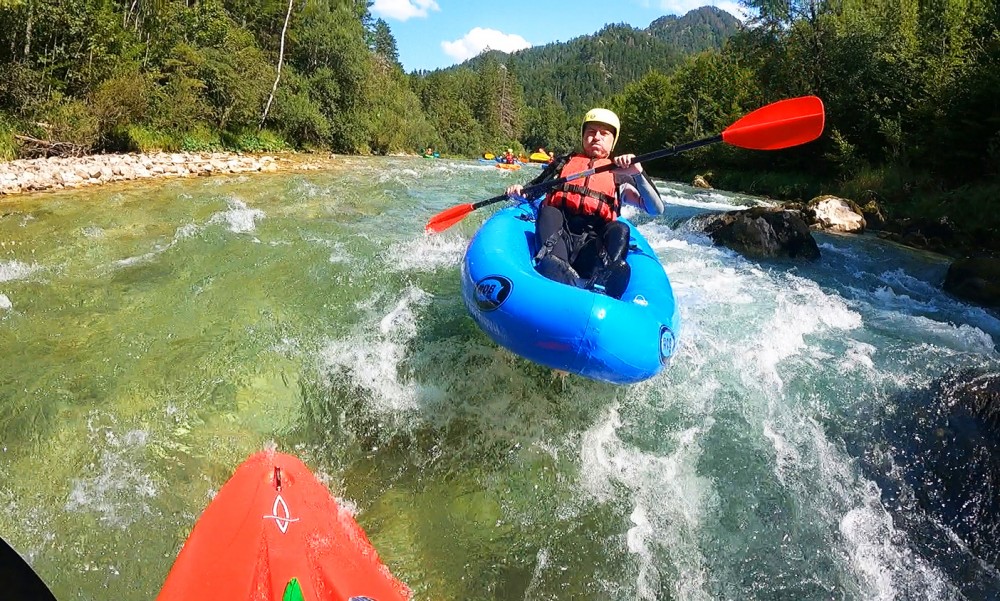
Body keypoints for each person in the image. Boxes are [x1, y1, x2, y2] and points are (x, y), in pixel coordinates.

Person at [505, 108, 663, 299]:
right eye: (591, 132)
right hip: (559, 238)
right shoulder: (564, 163)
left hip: (592, 250)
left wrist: (638, 174)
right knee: (548, 212)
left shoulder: (620, 175)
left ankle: (605, 278)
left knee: (620, 229)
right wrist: (519, 192)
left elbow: (656, 209)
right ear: (583, 137)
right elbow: (533, 190)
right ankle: (556, 271)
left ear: (613, 141)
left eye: (604, 134)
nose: (596, 137)